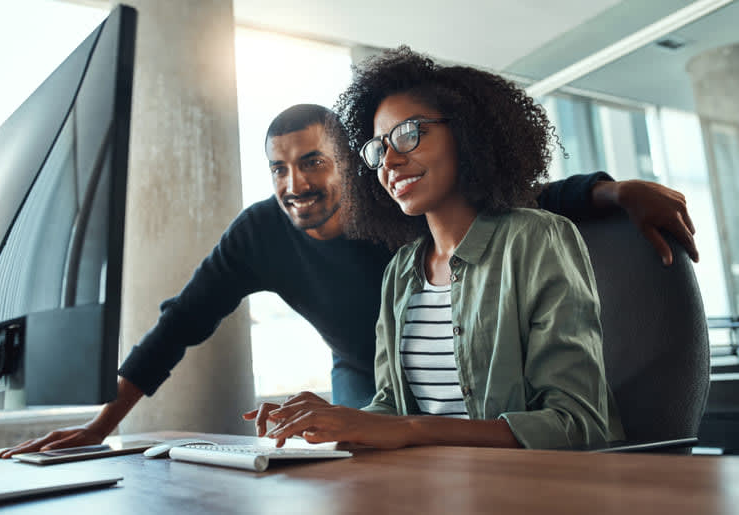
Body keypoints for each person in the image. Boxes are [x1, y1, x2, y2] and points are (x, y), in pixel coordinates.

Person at [0, 95, 692, 457]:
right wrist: (101, 424)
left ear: (347, 164)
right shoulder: (259, 233)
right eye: (279, 168)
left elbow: (520, 199)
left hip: (467, 373)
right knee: (349, 469)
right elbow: (178, 324)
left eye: (313, 162)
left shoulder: (395, 200)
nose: (295, 183)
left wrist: (614, 189)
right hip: (368, 374)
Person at [244, 47, 626, 450]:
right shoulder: (401, 271)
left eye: (409, 134)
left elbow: (578, 425)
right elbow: (392, 409)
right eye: (378, 148)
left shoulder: (537, 239)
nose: (389, 160)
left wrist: (414, 429)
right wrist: (331, 420)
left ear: (465, 132)